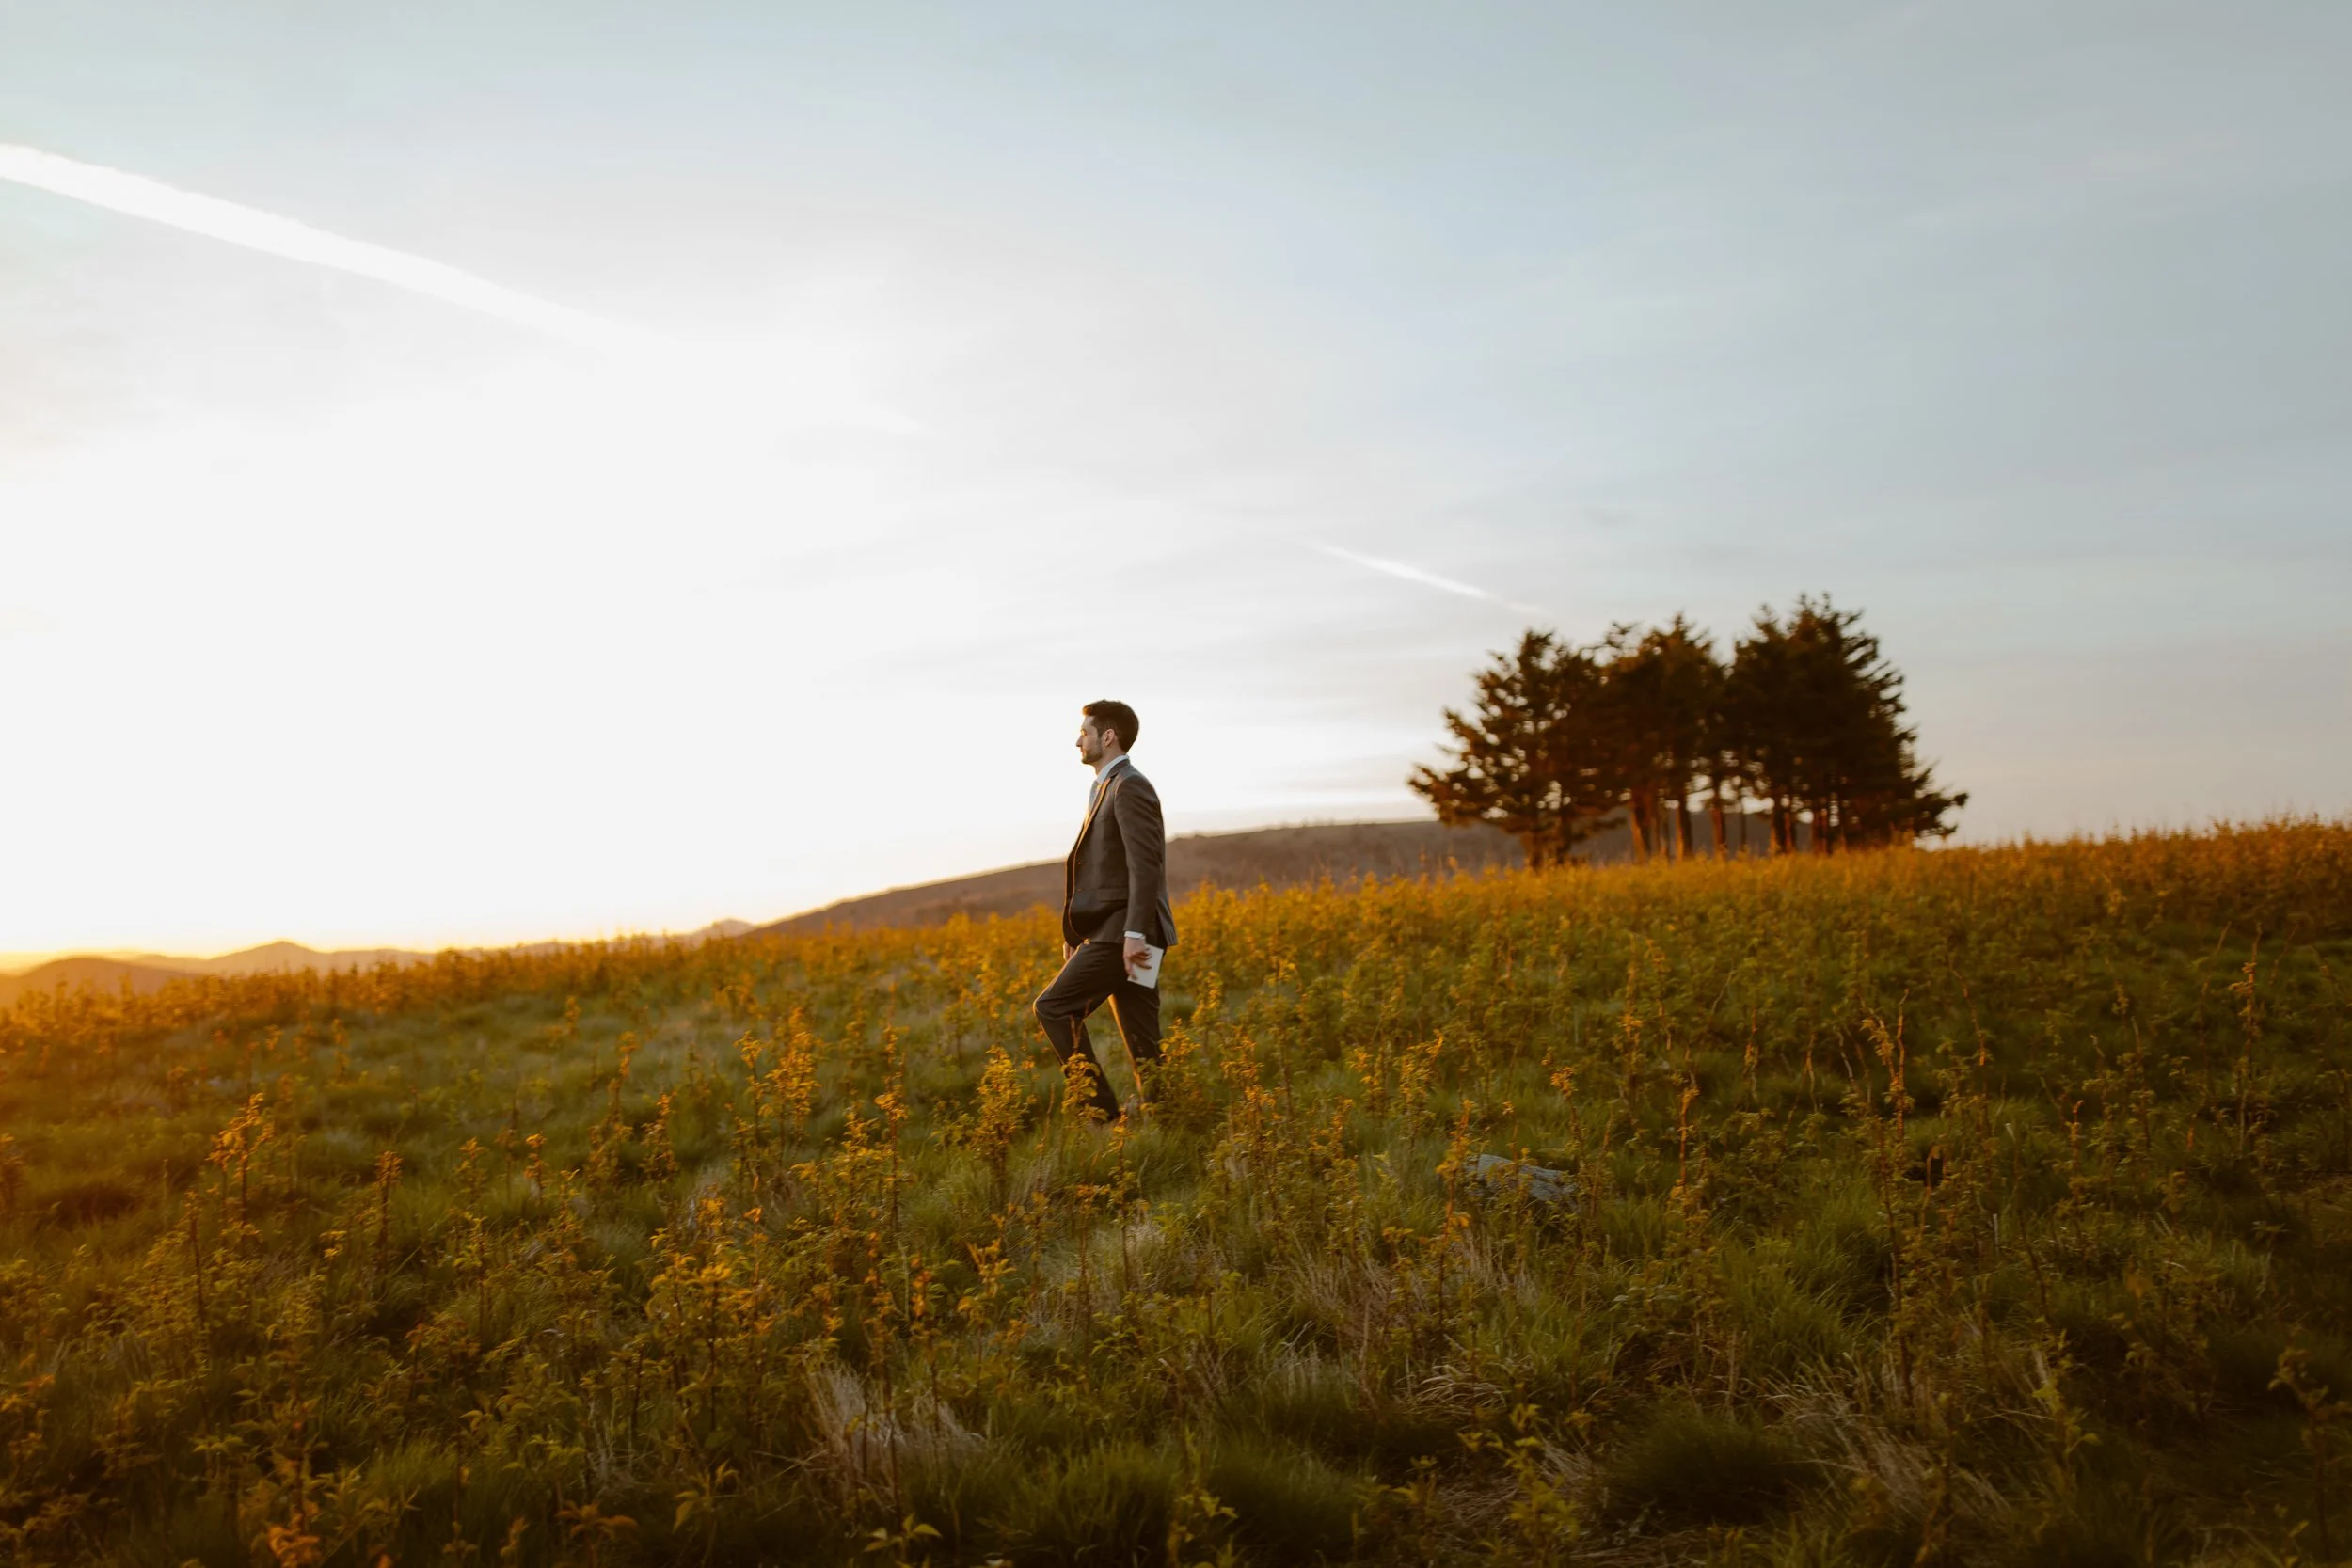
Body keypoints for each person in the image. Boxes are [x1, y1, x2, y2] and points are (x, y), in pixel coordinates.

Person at [1032, 699, 1176, 1122]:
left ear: (1108, 736)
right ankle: (1167, 1121)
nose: (1078, 740)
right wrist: (1074, 935)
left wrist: (1133, 934)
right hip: (1120, 932)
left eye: (1085, 732)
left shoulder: (1129, 785)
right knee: (1142, 1039)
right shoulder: (1105, 787)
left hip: (1125, 934)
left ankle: (1104, 1118)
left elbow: (1145, 864)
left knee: (1053, 1007)